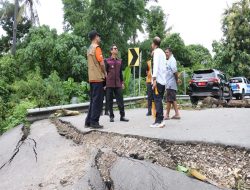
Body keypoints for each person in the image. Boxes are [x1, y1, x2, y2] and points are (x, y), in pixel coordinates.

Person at [85, 30, 106, 129]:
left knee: (93, 101)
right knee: (97, 101)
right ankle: (94, 122)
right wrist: (105, 73)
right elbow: (101, 63)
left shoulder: (89, 49)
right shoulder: (96, 48)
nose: (100, 38)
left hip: (91, 78)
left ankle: (88, 121)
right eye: (99, 36)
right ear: (95, 37)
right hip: (98, 77)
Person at [105, 44, 129, 123]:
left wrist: (122, 82)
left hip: (118, 84)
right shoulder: (107, 61)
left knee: (120, 100)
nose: (116, 49)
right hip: (109, 84)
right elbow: (105, 73)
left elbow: (120, 73)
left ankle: (122, 116)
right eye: (115, 48)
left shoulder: (120, 61)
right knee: (109, 101)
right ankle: (111, 116)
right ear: (111, 51)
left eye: (117, 48)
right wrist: (104, 84)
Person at [150, 37, 167, 128]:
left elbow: (155, 66)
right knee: (159, 100)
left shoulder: (157, 52)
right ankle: (161, 120)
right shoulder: (162, 53)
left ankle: (158, 121)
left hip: (158, 80)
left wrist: (154, 79)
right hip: (163, 80)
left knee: (157, 101)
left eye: (151, 43)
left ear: (154, 44)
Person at [164, 47, 181, 120]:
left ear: (170, 53)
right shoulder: (168, 60)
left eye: (167, 52)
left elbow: (175, 71)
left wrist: (177, 80)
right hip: (169, 82)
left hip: (171, 83)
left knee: (170, 99)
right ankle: (176, 114)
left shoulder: (172, 60)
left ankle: (167, 115)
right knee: (171, 99)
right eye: (165, 52)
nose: (166, 54)